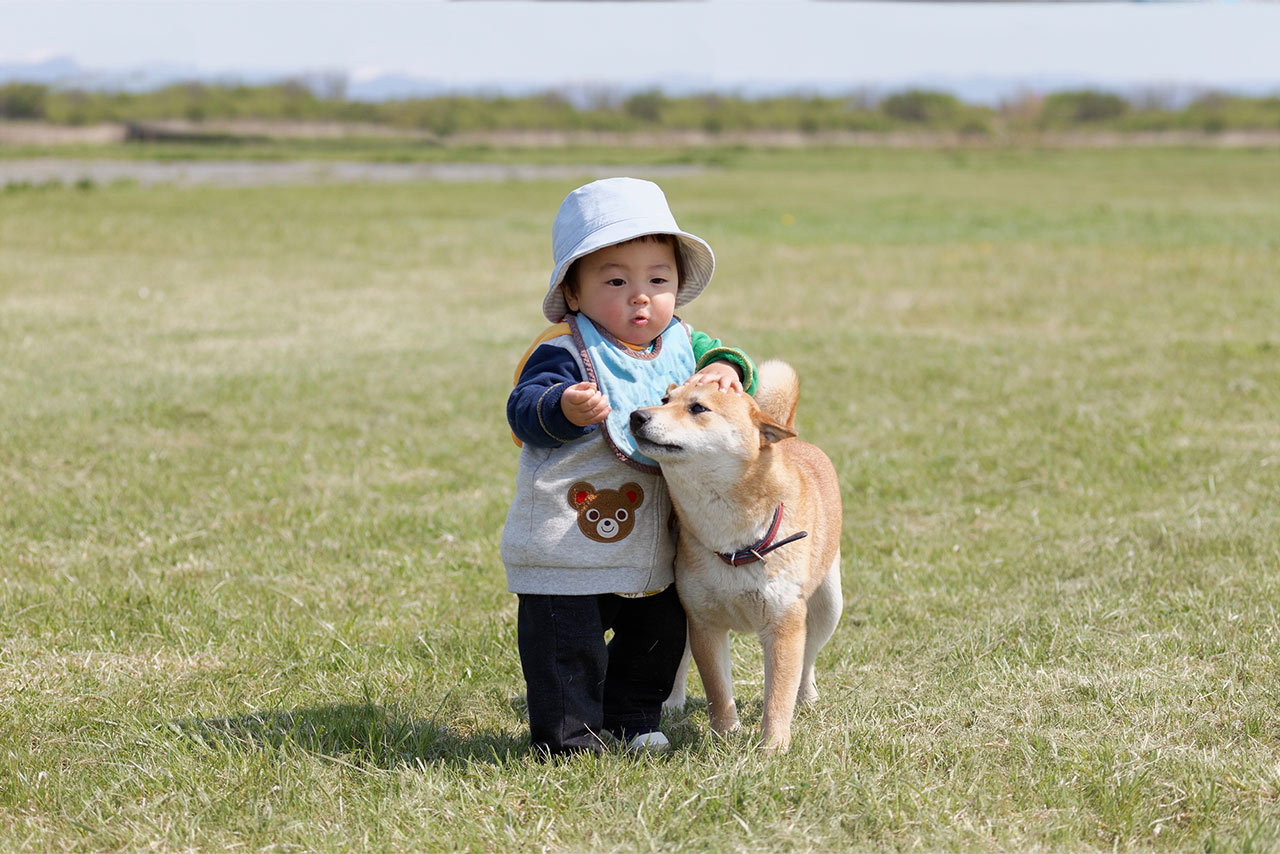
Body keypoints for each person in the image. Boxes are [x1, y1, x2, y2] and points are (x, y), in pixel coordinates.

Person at [502, 177, 758, 756]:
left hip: (653, 547)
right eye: (616, 281)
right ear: (573, 292)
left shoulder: (684, 344)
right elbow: (523, 412)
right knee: (567, 648)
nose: (640, 297)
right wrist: (561, 405)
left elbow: (729, 366)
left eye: (657, 281)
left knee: (660, 635)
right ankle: (568, 736)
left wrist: (727, 371)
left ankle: (632, 720)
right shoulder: (564, 351)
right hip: (566, 542)